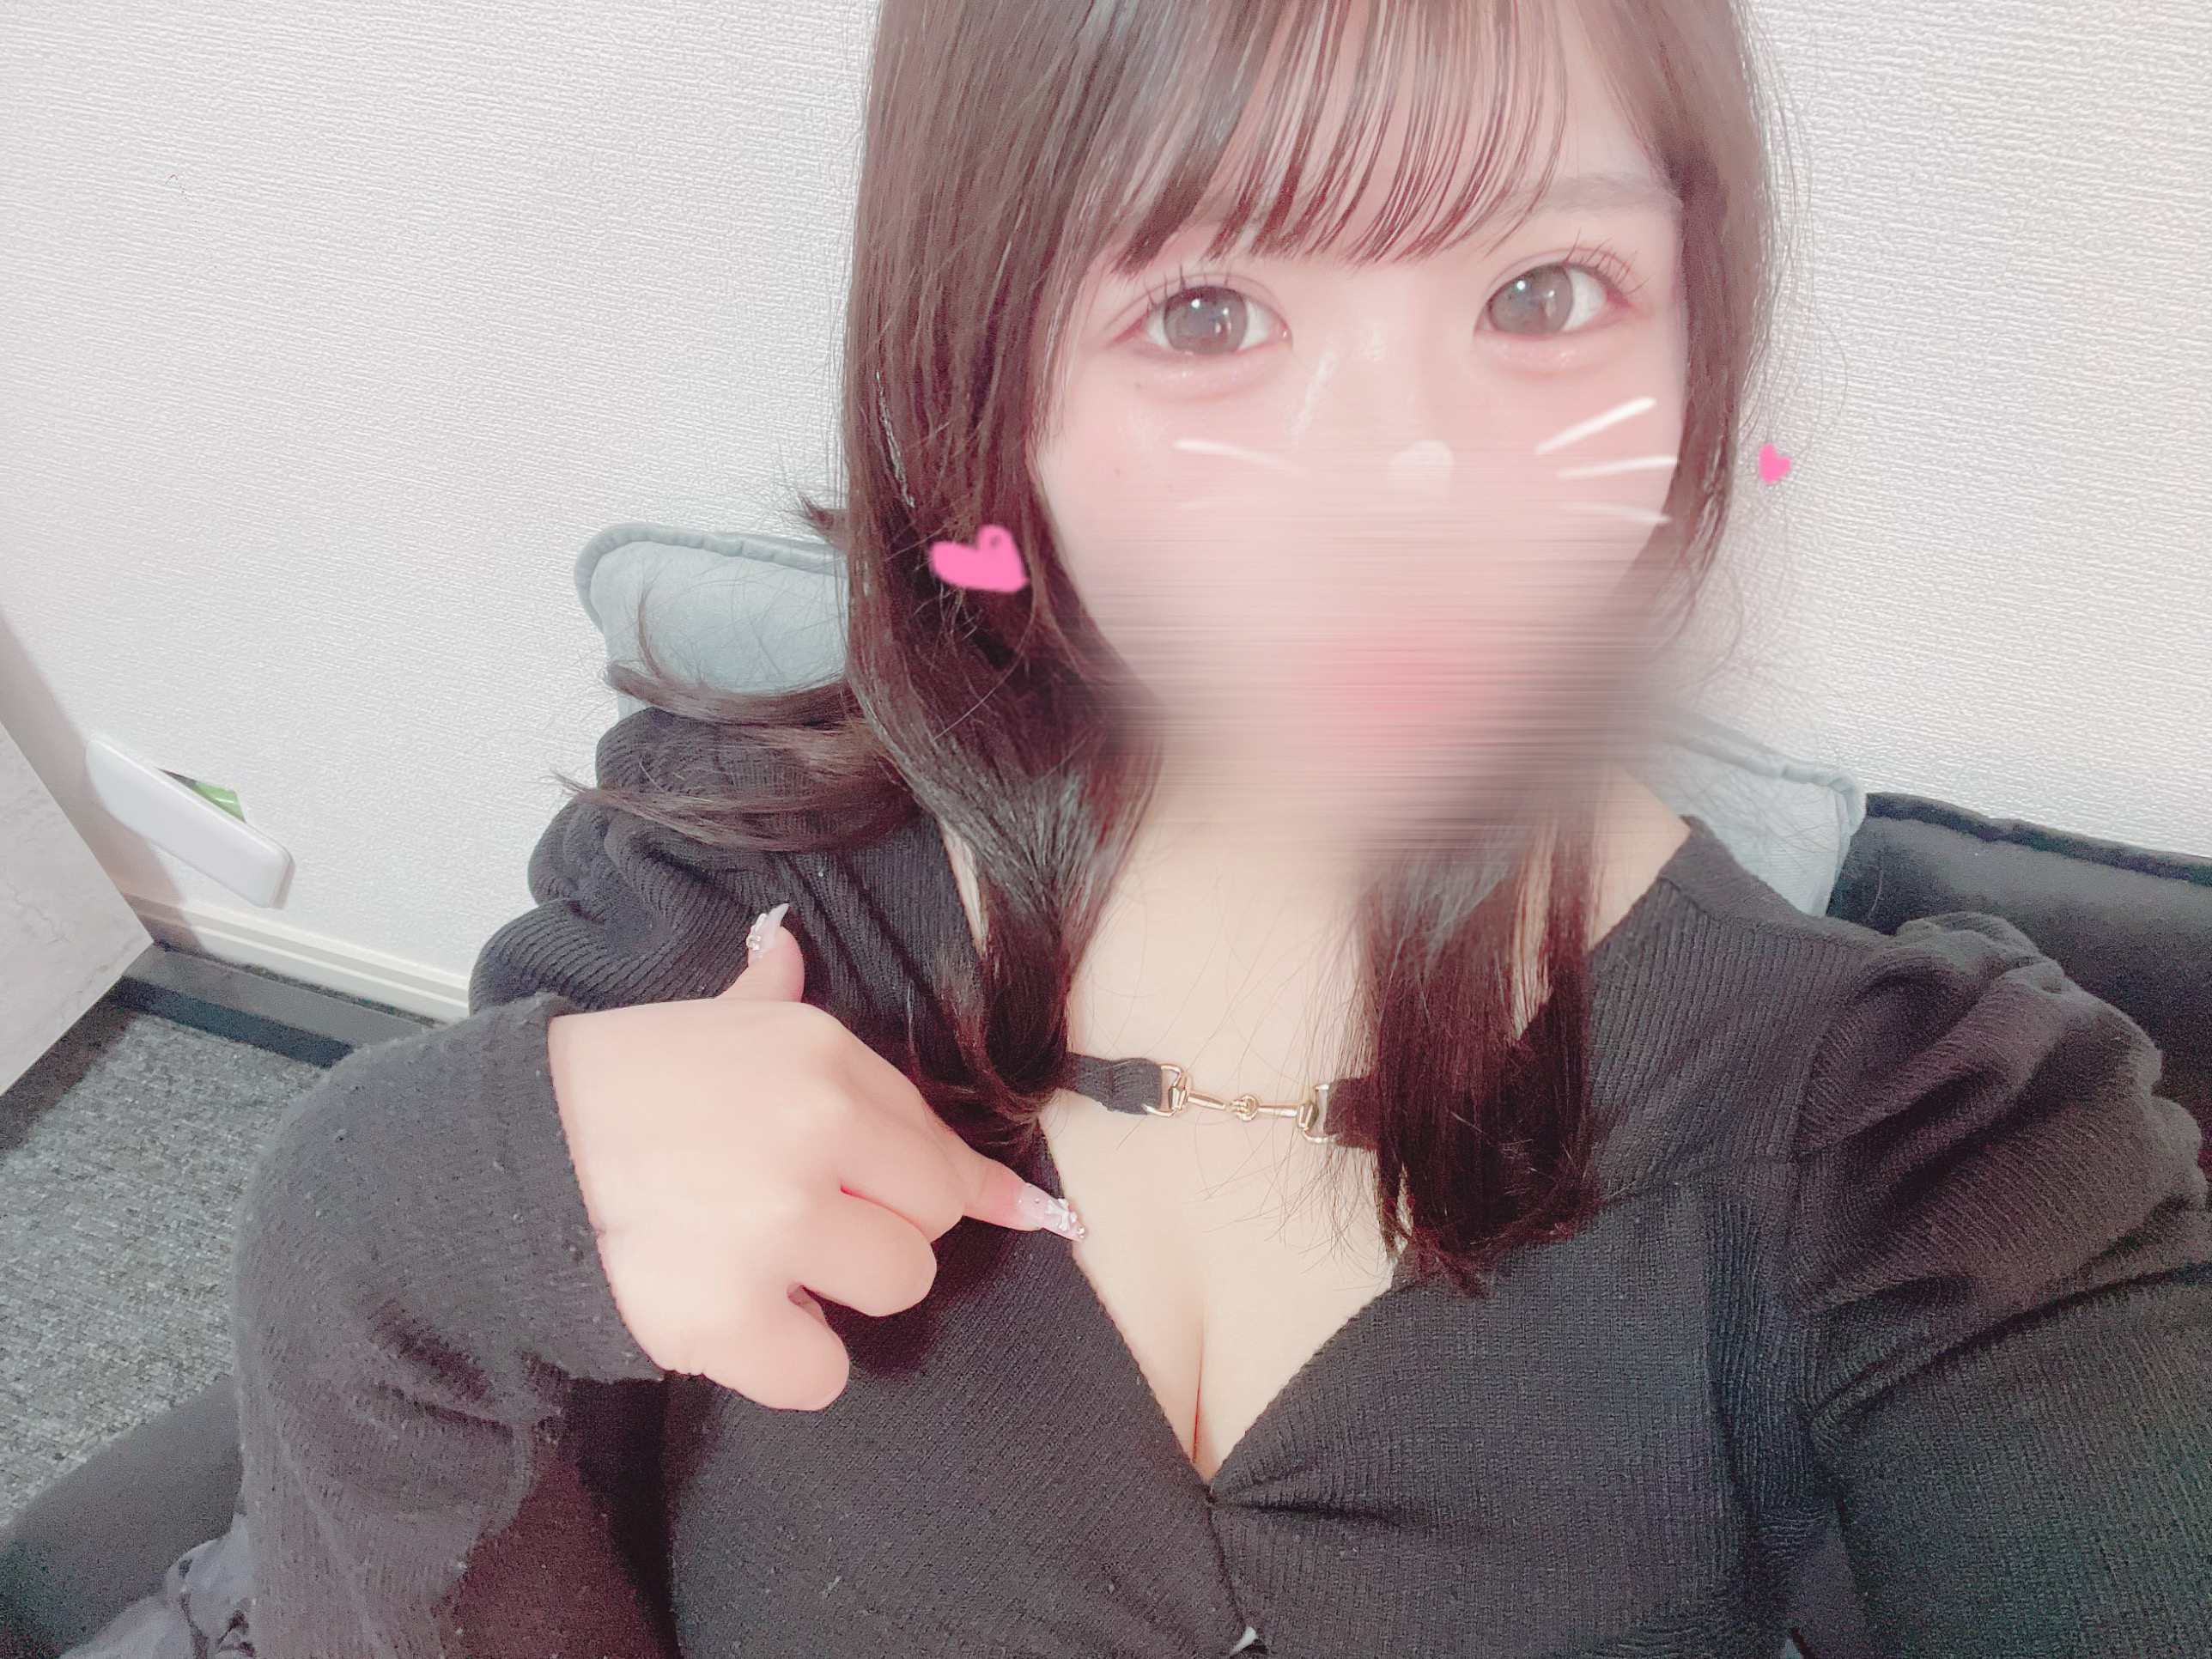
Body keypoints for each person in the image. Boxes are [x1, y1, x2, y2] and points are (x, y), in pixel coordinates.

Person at [193, 1, 2212, 1656]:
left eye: (1544, 290)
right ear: (990, 377)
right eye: (1208, 314)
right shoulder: (715, 901)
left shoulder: (1939, 1153)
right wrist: (388, 1205)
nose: (1405, 498)